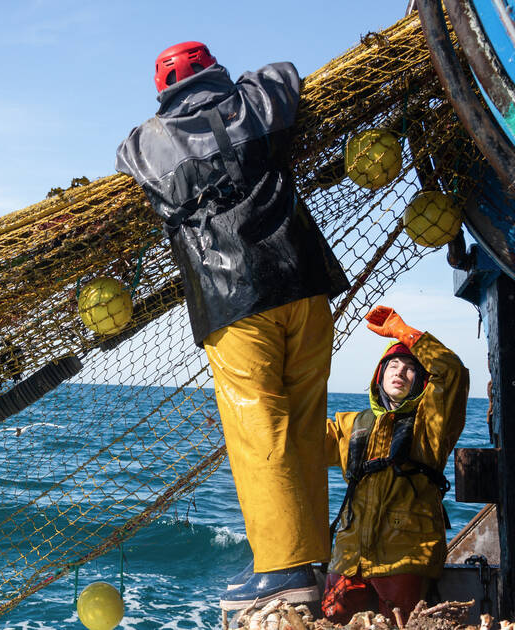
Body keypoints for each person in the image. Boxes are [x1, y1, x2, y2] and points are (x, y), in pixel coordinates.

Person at [115, 42, 349, 609]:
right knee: (302, 423)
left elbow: (126, 154)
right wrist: (231, 92)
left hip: (234, 302)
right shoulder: (257, 102)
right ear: (215, 72)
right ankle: (307, 560)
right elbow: (283, 75)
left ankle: (283, 570)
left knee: (259, 433)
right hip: (305, 285)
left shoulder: (152, 141)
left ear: (164, 93)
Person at [322, 306, 470, 622]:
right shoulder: (350, 424)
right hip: (348, 560)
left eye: (410, 367)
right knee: (331, 624)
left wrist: (402, 333)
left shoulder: (432, 423)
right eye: (393, 364)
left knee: (403, 624)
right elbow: (302, 440)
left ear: (422, 380)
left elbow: (453, 370)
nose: (400, 371)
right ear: (379, 374)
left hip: (405, 557)